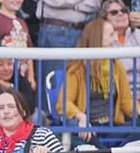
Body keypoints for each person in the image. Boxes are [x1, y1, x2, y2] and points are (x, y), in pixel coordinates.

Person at [59, 16, 140, 144]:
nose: (115, 39)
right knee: (83, 137)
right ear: (97, 38)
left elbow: (126, 102)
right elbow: (64, 103)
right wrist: (81, 117)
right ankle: (113, 152)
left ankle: (114, 152)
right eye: (111, 35)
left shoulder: (117, 65)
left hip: (112, 125)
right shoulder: (77, 68)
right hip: (88, 127)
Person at [100, 0, 140, 98]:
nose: (120, 14)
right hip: (116, 95)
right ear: (105, 18)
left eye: (123, 11)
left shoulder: (137, 34)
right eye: (114, 12)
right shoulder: (102, 40)